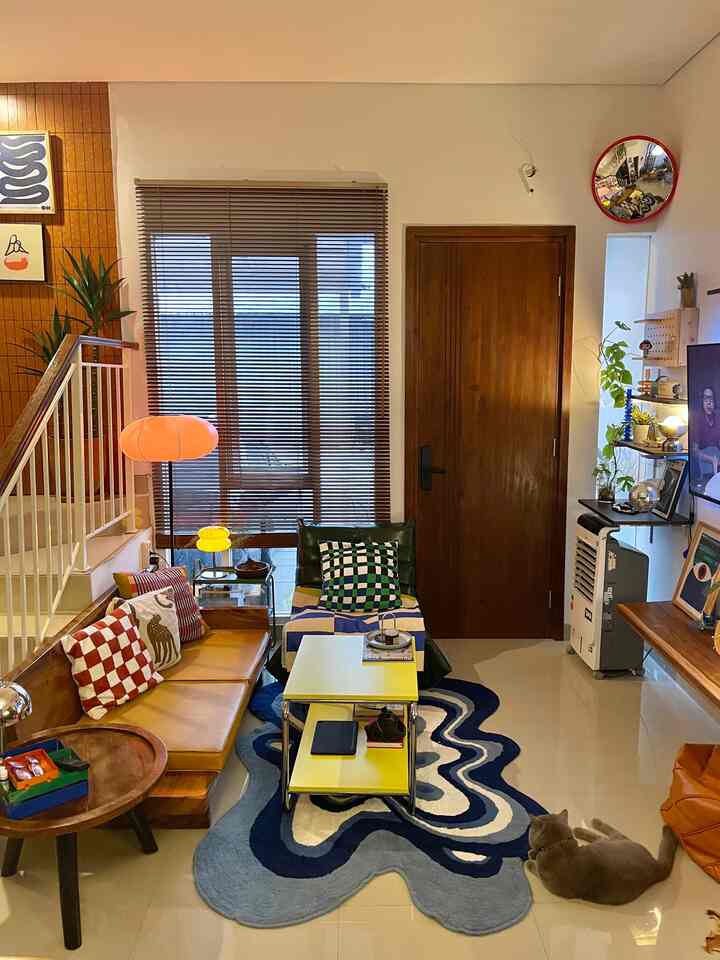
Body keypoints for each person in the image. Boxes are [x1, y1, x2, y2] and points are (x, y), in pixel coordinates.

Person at [694, 386, 720, 485]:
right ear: (702, 401)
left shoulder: (718, 418)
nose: (708, 402)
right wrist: (712, 460)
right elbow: (694, 452)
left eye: (711, 399)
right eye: (705, 399)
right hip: (704, 460)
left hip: (717, 457)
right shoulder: (697, 419)